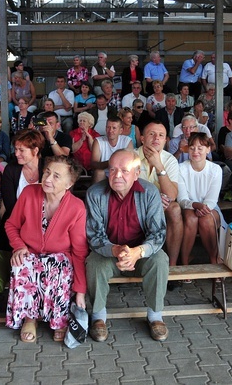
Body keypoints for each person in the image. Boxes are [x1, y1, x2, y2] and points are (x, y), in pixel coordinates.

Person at [85, 150, 169, 342]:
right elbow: (94, 235)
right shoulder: (95, 193)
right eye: (112, 170)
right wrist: (115, 250)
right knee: (93, 262)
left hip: (140, 254)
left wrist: (138, 252)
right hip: (108, 253)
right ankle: (98, 316)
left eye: (124, 170)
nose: (117, 176)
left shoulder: (149, 193)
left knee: (160, 260)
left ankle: (155, 316)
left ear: (137, 173)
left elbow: (158, 233)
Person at [5, 155, 87, 343]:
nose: (48, 179)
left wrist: (81, 290)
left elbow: (79, 251)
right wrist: (19, 247)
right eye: (47, 172)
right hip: (30, 251)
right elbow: (11, 225)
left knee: (58, 266)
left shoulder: (76, 207)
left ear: (69, 183)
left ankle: (59, 319)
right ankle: (30, 317)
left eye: (56, 176)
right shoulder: (28, 193)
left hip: (59, 256)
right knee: (22, 263)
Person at [137, 122, 184, 267]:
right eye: (151, 134)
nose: (156, 138)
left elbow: (172, 195)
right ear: (143, 138)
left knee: (175, 209)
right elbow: (124, 191)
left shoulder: (169, 159)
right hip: (135, 205)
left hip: (161, 206)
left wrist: (159, 166)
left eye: (161, 135)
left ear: (165, 140)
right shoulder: (131, 156)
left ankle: (172, 264)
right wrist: (154, 199)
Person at [177, 132, 223, 266]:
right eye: (192, 148)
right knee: (191, 219)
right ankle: (184, 260)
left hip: (209, 207)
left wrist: (203, 207)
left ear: (208, 149)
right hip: (188, 206)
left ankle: (214, 258)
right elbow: (182, 199)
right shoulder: (181, 168)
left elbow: (212, 199)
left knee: (207, 219)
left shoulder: (215, 169)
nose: (195, 151)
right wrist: (196, 205)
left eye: (200, 148)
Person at [1, 129, 44, 222]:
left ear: (35, 150)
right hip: (17, 221)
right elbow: (10, 206)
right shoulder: (10, 169)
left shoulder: (48, 168)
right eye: (16, 149)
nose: (16, 154)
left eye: (21, 150)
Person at [90, 115, 134, 183]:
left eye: (114, 128)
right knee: (98, 173)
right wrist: (112, 162)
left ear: (120, 130)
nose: (110, 130)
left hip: (121, 174)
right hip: (104, 174)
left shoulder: (127, 141)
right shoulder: (98, 141)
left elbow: (130, 162)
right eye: (108, 127)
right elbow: (94, 164)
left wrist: (111, 164)